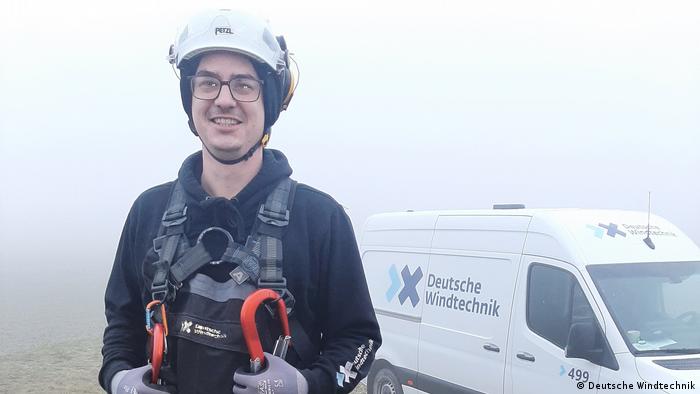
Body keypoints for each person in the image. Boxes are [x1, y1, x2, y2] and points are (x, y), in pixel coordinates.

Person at [99, 9, 381, 394]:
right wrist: (117, 378)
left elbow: (359, 339)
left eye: (244, 85)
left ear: (270, 99)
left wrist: (307, 386)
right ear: (190, 96)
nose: (224, 100)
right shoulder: (149, 211)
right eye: (208, 82)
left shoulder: (320, 219)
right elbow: (121, 324)